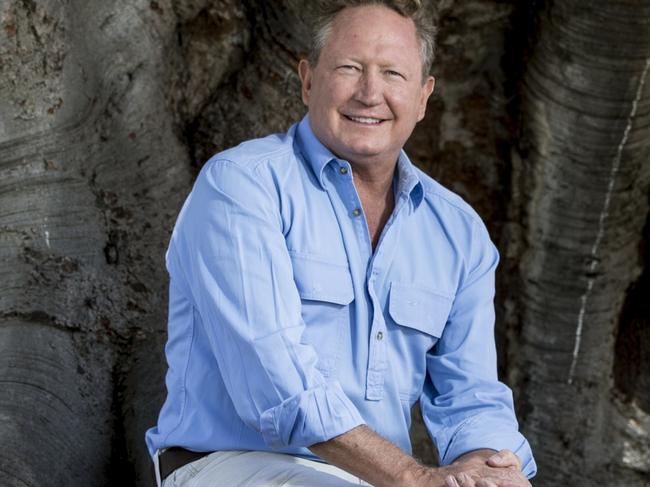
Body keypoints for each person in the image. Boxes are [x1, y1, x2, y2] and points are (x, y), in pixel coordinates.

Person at [145, 1, 537, 486]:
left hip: (379, 479)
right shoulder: (242, 186)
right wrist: (416, 479)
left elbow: (472, 395)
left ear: (423, 97)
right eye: (350, 68)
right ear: (308, 80)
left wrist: (488, 466)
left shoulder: (457, 232)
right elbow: (278, 384)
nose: (370, 93)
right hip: (228, 464)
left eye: (393, 73)